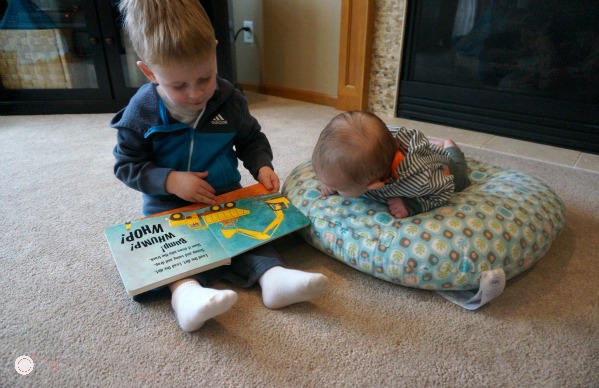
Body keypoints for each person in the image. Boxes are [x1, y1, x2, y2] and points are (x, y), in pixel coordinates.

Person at [111, 0, 328, 333]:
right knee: (175, 253)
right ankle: (187, 296)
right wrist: (169, 181)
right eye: (179, 85)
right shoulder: (141, 113)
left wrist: (262, 166)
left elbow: (251, 138)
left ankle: (273, 279)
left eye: (205, 77)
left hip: (225, 196)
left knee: (250, 236)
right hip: (168, 206)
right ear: (150, 72)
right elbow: (127, 166)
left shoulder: (229, 99)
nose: (196, 93)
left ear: (214, 52)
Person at [312, 111, 470, 218]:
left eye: (340, 188)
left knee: (463, 180)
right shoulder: (376, 145)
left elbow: (444, 190)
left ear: (374, 185)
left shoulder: (420, 180)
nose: (332, 188)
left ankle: (449, 146)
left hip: (445, 168)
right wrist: (332, 183)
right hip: (401, 146)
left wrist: (411, 205)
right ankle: (433, 144)